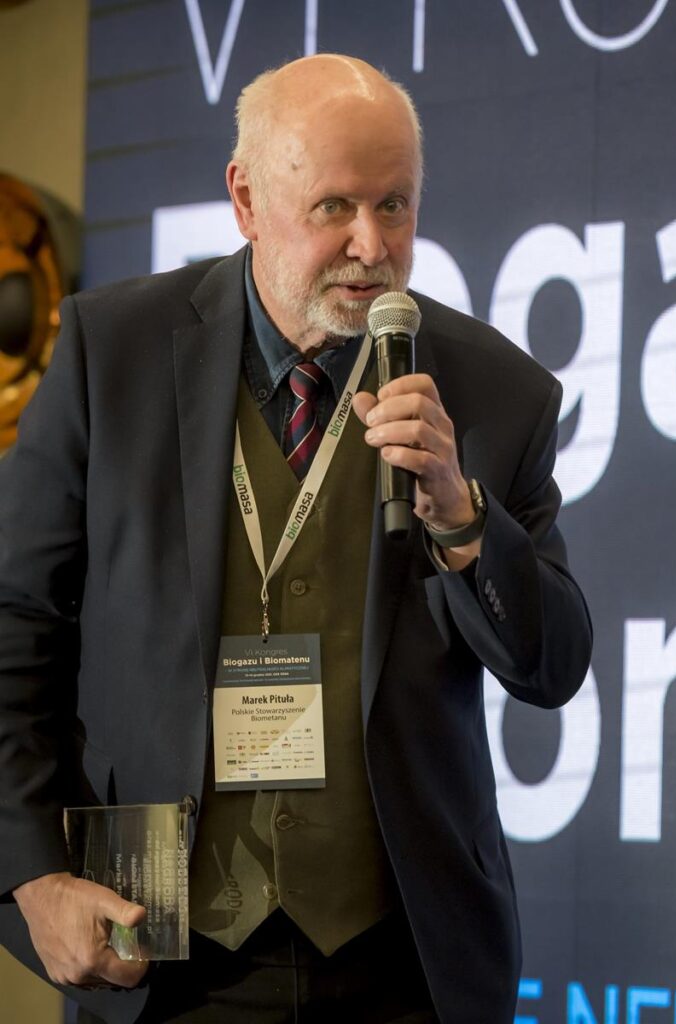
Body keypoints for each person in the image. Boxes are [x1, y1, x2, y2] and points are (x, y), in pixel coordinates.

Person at [0, 54, 592, 1024]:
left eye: (395, 206)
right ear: (245, 198)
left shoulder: (497, 391)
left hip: (404, 966)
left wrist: (461, 519)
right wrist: (30, 874)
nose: (372, 245)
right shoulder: (114, 352)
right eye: (335, 208)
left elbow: (552, 666)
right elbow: (14, 623)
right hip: (162, 957)